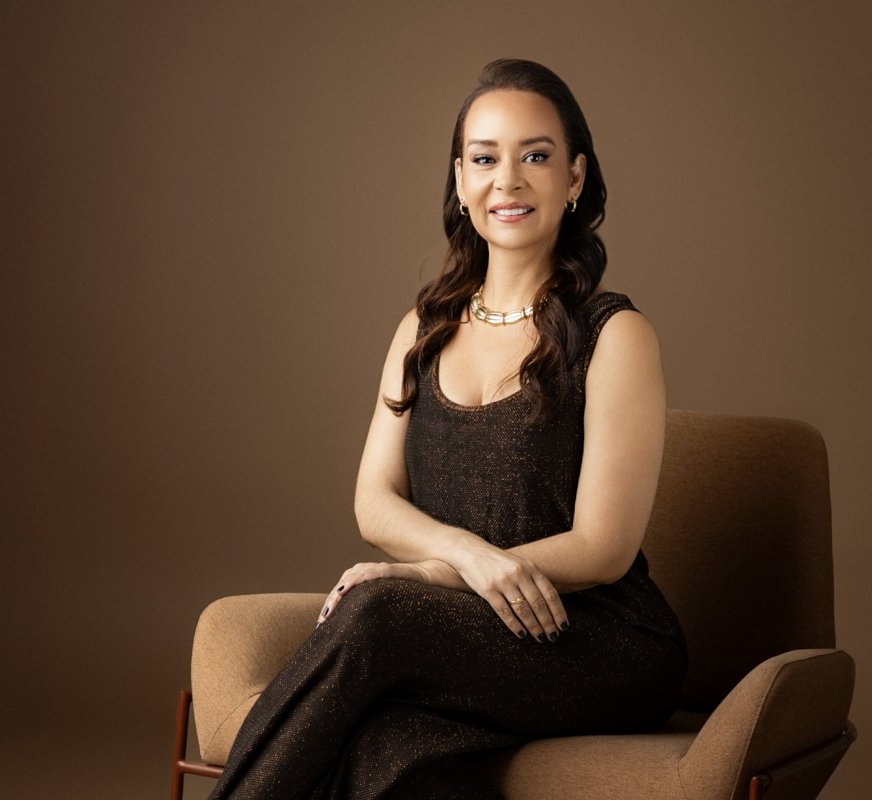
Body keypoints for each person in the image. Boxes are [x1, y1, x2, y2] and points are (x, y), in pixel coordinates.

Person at [208, 58, 686, 800]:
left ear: (575, 177)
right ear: (460, 181)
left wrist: (433, 576)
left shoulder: (615, 334)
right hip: (469, 630)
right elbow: (374, 501)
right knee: (388, 748)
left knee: (376, 613)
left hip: (598, 641)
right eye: (485, 159)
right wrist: (467, 556)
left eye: (536, 157)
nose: (508, 180)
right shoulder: (421, 330)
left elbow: (604, 546)